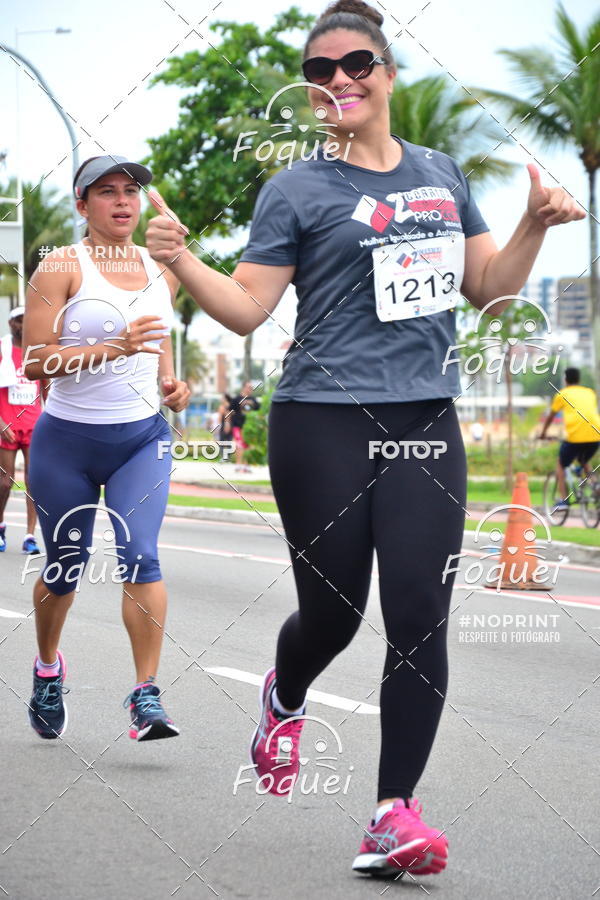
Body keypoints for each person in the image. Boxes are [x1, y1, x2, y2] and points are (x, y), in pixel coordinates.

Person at [145, 0, 584, 877]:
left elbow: (491, 293)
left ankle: (392, 815)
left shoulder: (441, 173)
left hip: (426, 418)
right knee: (337, 612)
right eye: (319, 72)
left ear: (388, 72)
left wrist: (534, 222)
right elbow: (245, 309)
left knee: (419, 614)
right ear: (309, 91)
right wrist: (180, 260)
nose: (338, 80)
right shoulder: (295, 189)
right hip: (319, 422)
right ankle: (287, 692)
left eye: (355, 65)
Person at [23, 155, 191, 743]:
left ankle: (146, 695)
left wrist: (172, 384)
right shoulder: (60, 267)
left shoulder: (161, 267)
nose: (122, 201)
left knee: (141, 555)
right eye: (106, 192)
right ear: (82, 205)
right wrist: (113, 347)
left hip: (141, 439)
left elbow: (158, 344)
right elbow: (35, 359)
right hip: (66, 443)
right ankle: (48, 667)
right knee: (64, 569)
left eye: (131, 191)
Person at [0, 306, 46, 554]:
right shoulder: (2, 350)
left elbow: (48, 391)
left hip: (33, 426)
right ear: (11, 324)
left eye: (27, 320)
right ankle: (0, 525)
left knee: (34, 482)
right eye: (18, 320)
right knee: (4, 483)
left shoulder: (38, 354)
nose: (23, 324)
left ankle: (30, 536)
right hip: (6, 426)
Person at [539, 367, 600, 507]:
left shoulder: (562, 394)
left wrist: (543, 433)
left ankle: (564, 500)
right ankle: (595, 485)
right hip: (596, 433)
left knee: (561, 464)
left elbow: (550, 416)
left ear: (565, 380)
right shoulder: (590, 392)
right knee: (583, 460)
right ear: (579, 379)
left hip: (576, 437)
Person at [229, 381, 260, 471]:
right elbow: (230, 412)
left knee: (248, 445)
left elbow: (258, 412)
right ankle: (238, 464)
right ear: (243, 388)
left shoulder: (254, 400)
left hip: (250, 426)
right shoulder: (236, 399)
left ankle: (246, 464)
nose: (250, 389)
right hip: (238, 425)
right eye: (248, 387)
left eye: (251, 388)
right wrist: (227, 423)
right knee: (239, 444)